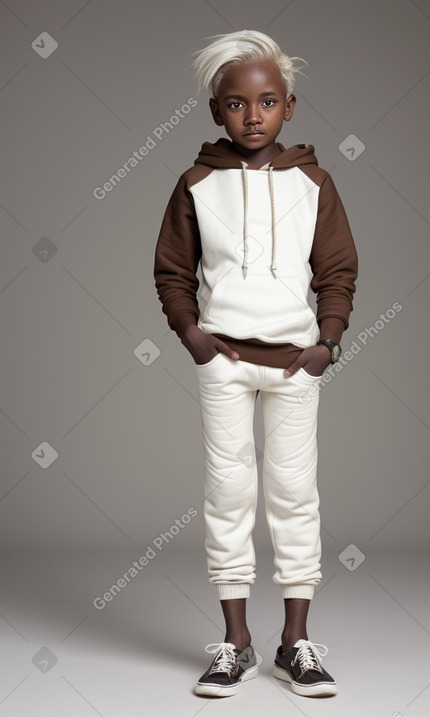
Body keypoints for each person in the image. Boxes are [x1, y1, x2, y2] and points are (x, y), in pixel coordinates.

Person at [153, 29, 358, 698]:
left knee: (295, 494)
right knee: (228, 494)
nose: (252, 115)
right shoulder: (196, 184)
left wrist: (325, 344)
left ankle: (295, 643)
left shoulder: (314, 182)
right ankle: (234, 643)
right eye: (236, 103)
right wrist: (193, 337)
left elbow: (337, 270)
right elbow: (171, 271)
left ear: (289, 106)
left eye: (267, 101)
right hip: (225, 362)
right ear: (217, 111)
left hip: (296, 364)